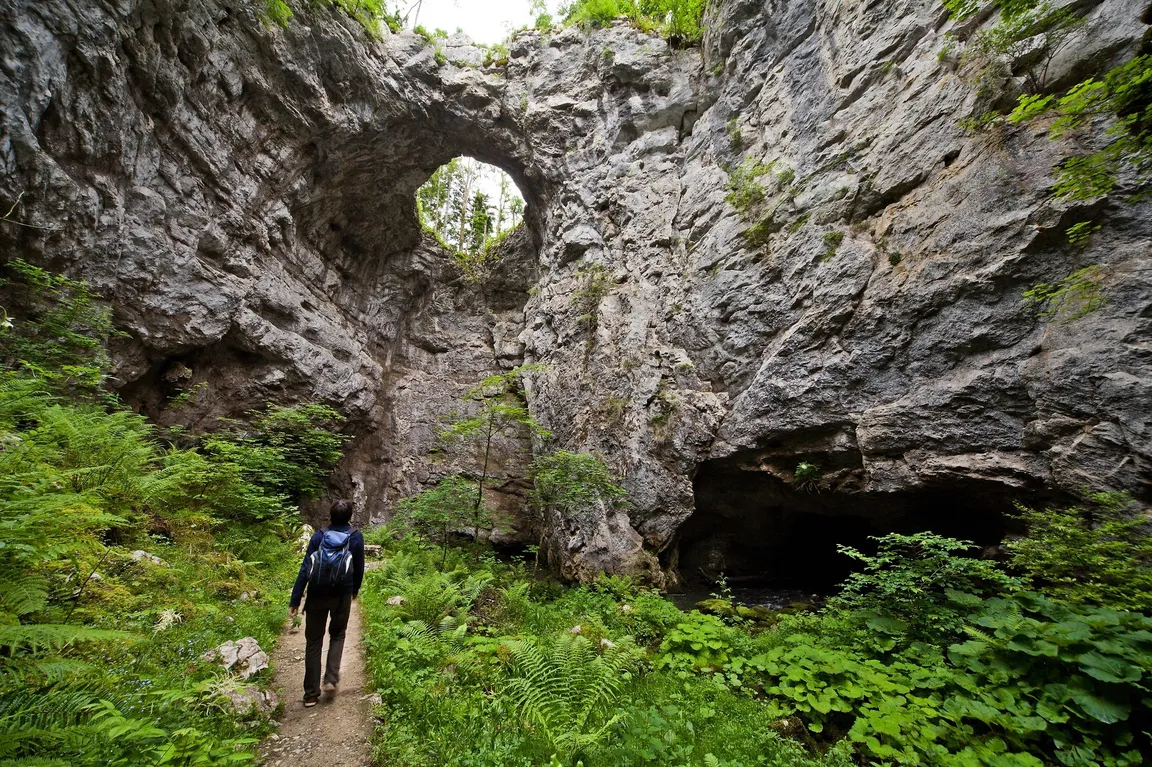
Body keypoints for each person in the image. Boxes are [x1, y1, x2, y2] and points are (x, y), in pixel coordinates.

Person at [288, 499, 365, 707]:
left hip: (316, 594)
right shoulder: (356, 537)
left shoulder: (319, 537)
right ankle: (331, 679)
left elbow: (305, 568)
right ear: (349, 517)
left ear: (330, 516)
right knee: (338, 634)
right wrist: (354, 590)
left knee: (313, 642)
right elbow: (359, 569)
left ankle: (311, 694)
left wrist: (295, 599)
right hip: (342, 595)